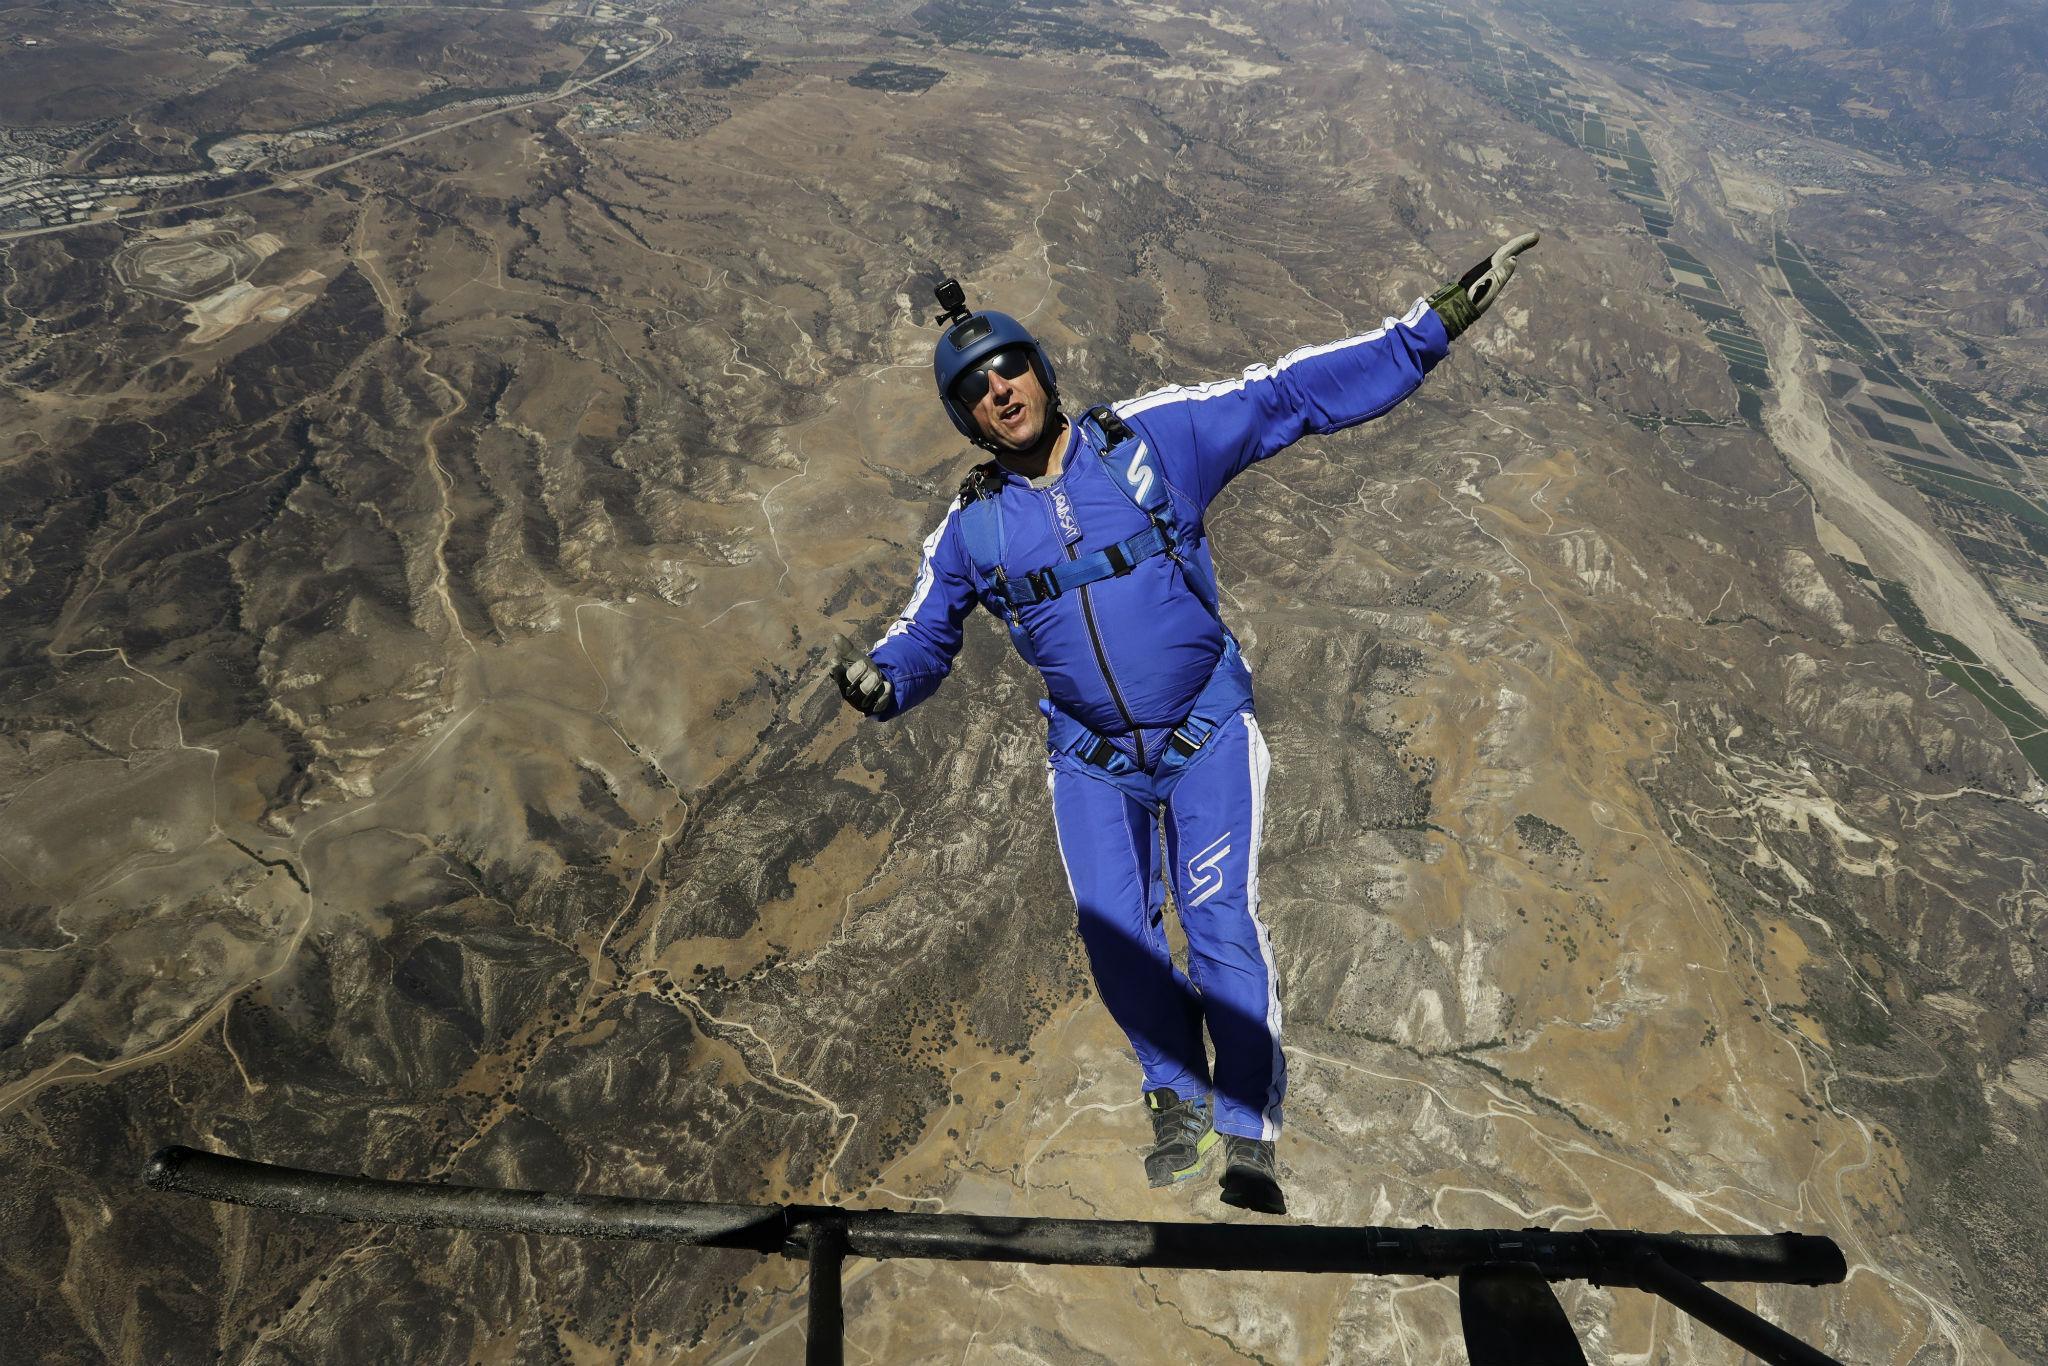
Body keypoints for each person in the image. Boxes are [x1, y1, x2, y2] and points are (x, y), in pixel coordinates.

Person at [830, 233, 1539, 1214]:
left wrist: (1426, 331)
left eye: (1011, 367)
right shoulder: (973, 530)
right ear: (966, 418)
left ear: (1040, 370)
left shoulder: (1149, 444)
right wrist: (882, 681)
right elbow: (923, 633)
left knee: (1216, 924)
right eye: (977, 388)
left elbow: (1281, 398)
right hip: (1089, 756)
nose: (1000, 390)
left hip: (1204, 727)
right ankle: (1175, 1097)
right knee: (1116, 932)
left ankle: (1246, 1133)